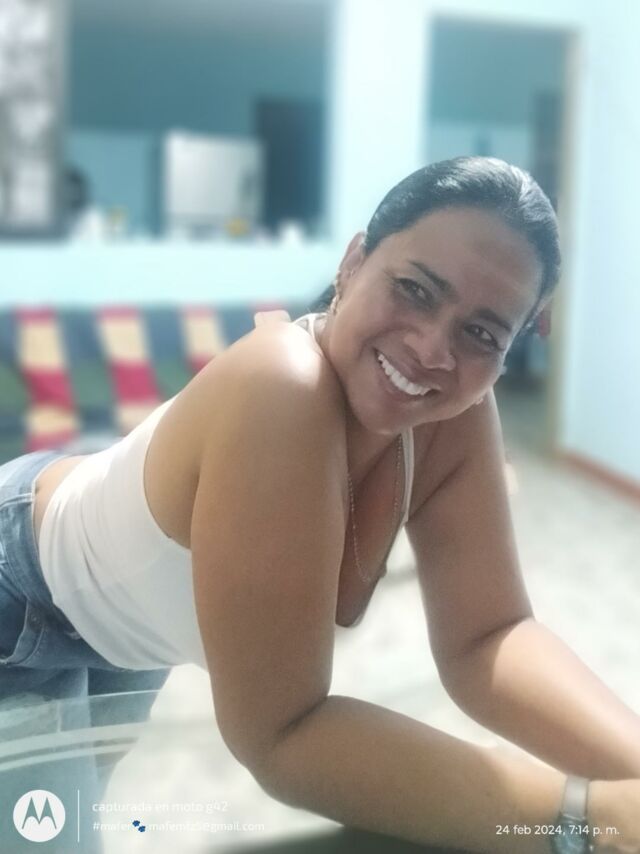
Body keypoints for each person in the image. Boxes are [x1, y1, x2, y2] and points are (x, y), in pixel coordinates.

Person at [1, 156, 639, 853]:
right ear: (354, 262)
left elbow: (488, 636)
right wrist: (585, 820)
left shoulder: (455, 414)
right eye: (416, 290)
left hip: (124, 633)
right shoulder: (281, 385)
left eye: (482, 334)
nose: (433, 351)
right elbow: (282, 734)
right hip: (22, 592)